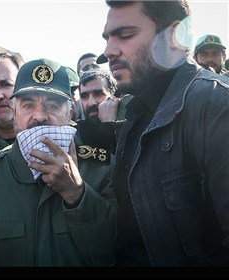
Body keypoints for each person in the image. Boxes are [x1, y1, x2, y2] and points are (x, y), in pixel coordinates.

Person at [0, 58, 117, 266]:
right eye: (28, 105)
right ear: (14, 113)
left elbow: (117, 252)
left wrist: (77, 194)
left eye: (52, 105)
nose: (39, 116)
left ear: (69, 114)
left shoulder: (102, 170)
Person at [100, 0, 229, 266]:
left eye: (125, 35)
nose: (109, 51)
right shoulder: (135, 112)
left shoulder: (215, 105)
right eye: (107, 38)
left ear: (174, 37)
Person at [76, 68, 131, 153]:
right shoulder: (77, 133)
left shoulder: (131, 120)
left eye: (98, 94)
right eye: (84, 96)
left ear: (113, 95)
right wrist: (107, 126)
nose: (90, 103)